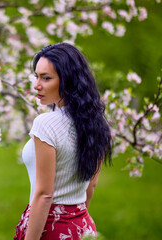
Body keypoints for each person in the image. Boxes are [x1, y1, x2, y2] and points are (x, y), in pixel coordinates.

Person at [13, 42, 112, 240]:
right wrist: (73, 222)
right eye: (37, 76)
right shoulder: (95, 122)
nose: (36, 85)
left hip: (49, 228)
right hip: (82, 226)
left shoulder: (46, 123)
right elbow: (91, 185)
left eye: (46, 78)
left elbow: (44, 194)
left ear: (67, 81)